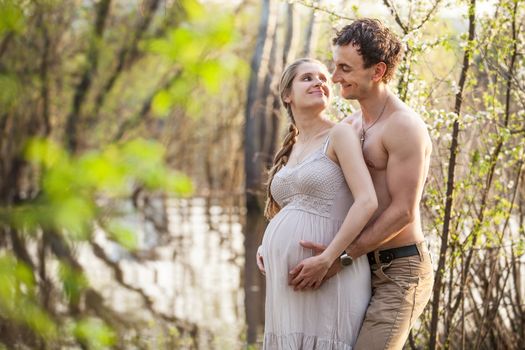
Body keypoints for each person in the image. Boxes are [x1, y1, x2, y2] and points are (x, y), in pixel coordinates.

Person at [289, 19, 434, 350]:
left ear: (378, 71)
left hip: (400, 271)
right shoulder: (351, 125)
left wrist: (336, 258)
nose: (335, 77)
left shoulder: (403, 127)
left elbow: (402, 213)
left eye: (345, 68)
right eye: (335, 66)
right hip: (359, 268)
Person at [256, 57, 378, 349]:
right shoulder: (292, 147)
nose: (320, 82)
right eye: (308, 78)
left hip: (329, 275)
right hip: (288, 284)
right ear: (287, 95)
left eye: (323, 78)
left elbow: (367, 201)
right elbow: (294, 206)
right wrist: (267, 245)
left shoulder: (340, 135)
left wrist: (328, 260)